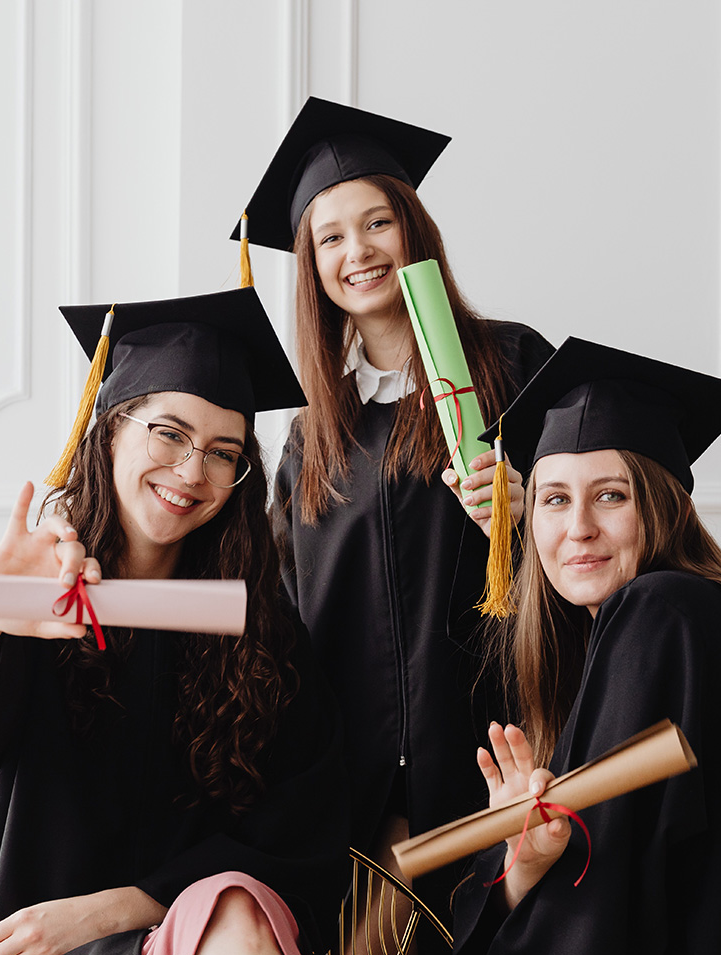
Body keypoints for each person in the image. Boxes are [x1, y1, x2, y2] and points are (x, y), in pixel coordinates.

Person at [0, 288, 350, 955]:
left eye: (223, 452)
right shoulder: (42, 590)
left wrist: (113, 910)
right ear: (111, 426)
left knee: (232, 907)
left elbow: (301, 839)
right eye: (169, 434)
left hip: (194, 937)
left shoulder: (261, 634)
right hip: (34, 944)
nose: (192, 471)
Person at [453, 337, 721, 955]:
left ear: (663, 505)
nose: (578, 527)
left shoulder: (661, 612)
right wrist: (526, 863)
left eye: (611, 495)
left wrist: (526, 877)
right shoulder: (701, 617)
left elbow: (599, 899)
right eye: (554, 499)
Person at [233, 97, 554, 913]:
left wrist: (532, 511)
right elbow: (289, 609)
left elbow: (602, 540)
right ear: (310, 266)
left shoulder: (513, 367)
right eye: (330, 237)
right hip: (360, 787)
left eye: (377, 222)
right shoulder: (314, 435)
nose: (358, 251)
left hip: (504, 753)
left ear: (415, 230)